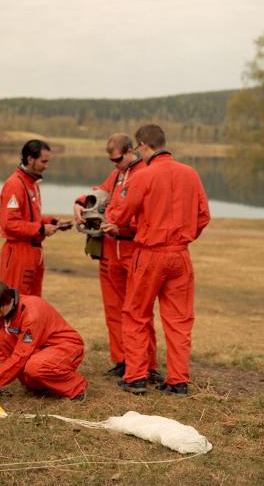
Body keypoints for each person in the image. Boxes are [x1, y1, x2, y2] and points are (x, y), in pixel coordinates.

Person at [104, 124, 210, 396]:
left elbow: (122, 213)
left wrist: (112, 219)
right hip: (180, 255)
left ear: (141, 145)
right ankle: (177, 381)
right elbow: (203, 216)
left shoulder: (144, 176)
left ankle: (136, 376)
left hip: (150, 254)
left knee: (136, 313)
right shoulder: (190, 173)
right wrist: (184, 236)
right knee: (179, 319)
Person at [74, 133, 160, 382]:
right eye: (111, 160)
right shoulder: (118, 174)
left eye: (117, 159)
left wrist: (121, 227)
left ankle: (147, 364)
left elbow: (148, 213)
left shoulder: (144, 171)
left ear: (130, 151)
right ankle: (122, 360)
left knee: (138, 312)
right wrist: (80, 203)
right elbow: (101, 191)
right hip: (110, 251)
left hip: (133, 249)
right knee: (114, 309)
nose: (114, 163)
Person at [0, 280, 88, 401]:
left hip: (66, 347)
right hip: (41, 346)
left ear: (1, 307)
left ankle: (76, 387)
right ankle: (40, 385)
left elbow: (21, 356)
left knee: (35, 366)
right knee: (5, 338)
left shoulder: (31, 314)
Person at [0, 139, 72, 297]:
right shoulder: (15, 184)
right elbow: (9, 223)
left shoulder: (33, 184)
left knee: (33, 303)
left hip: (34, 252)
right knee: (17, 302)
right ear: (30, 159)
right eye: (43, 161)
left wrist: (54, 222)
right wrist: (40, 229)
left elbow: (31, 218)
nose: (46, 166)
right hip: (19, 252)